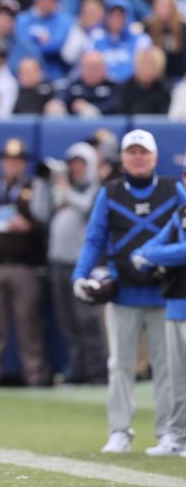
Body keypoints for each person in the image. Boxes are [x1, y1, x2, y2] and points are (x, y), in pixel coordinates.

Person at [73, 129, 182, 454]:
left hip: (164, 293)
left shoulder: (172, 189)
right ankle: (120, 430)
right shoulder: (111, 192)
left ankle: (169, 434)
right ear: (122, 158)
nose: (137, 158)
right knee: (120, 365)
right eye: (131, 152)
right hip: (122, 292)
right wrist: (80, 275)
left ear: (154, 158)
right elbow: (94, 238)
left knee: (169, 367)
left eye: (143, 152)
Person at [0, 138, 50, 386]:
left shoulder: (36, 189)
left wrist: (30, 228)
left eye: (17, 160)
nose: (12, 164)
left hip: (24, 266)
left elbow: (48, 222)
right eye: (8, 160)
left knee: (29, 323)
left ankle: (35, 374)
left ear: (24, 164)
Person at [131, 163, 186, 456]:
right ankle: (176, 437)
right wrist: (147, 251)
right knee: (176, 376)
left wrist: (149, 254)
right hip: (176, 301)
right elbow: (160, 239)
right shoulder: (182, 211)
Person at [46, 143, 107, 384]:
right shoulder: (65, 191)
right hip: (58, 265)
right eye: (72, 164)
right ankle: (79, 370)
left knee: (87, 320)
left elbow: (87, 210)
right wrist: (48, 187)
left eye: (81, 163)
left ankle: (98, 372)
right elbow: (43, 214)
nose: (76, 168)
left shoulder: (96, 191)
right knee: (67, 322)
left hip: (81, 267)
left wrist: (65, 190)